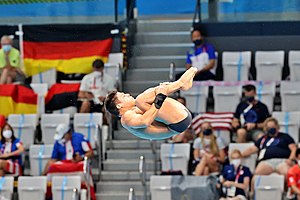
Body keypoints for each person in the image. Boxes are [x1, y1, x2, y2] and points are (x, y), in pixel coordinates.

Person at [105, 67, 198, 140]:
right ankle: (180, 84)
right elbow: (145, 122)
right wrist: (160, 97)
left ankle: (179, 84)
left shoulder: (133, 111)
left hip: (178, 121)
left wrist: (159, 93)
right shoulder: (126, 118)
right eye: (124, 96)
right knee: (140, 100)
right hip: (178, 123)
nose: (128, 94)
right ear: (119, 106)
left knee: (144, 98)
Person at [242, 117, 296, 193]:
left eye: (273, 127)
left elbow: (293, 148)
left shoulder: (285, 137)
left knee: (287, 174)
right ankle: (252, 194)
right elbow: (252, 149)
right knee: (256, 176)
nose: (271, 129)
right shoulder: (263, 139)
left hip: (283, 161)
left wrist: (291, 159)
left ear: (277, 127)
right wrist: (240, 155)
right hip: (267, 162)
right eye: (269, 128)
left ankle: (288, 194)